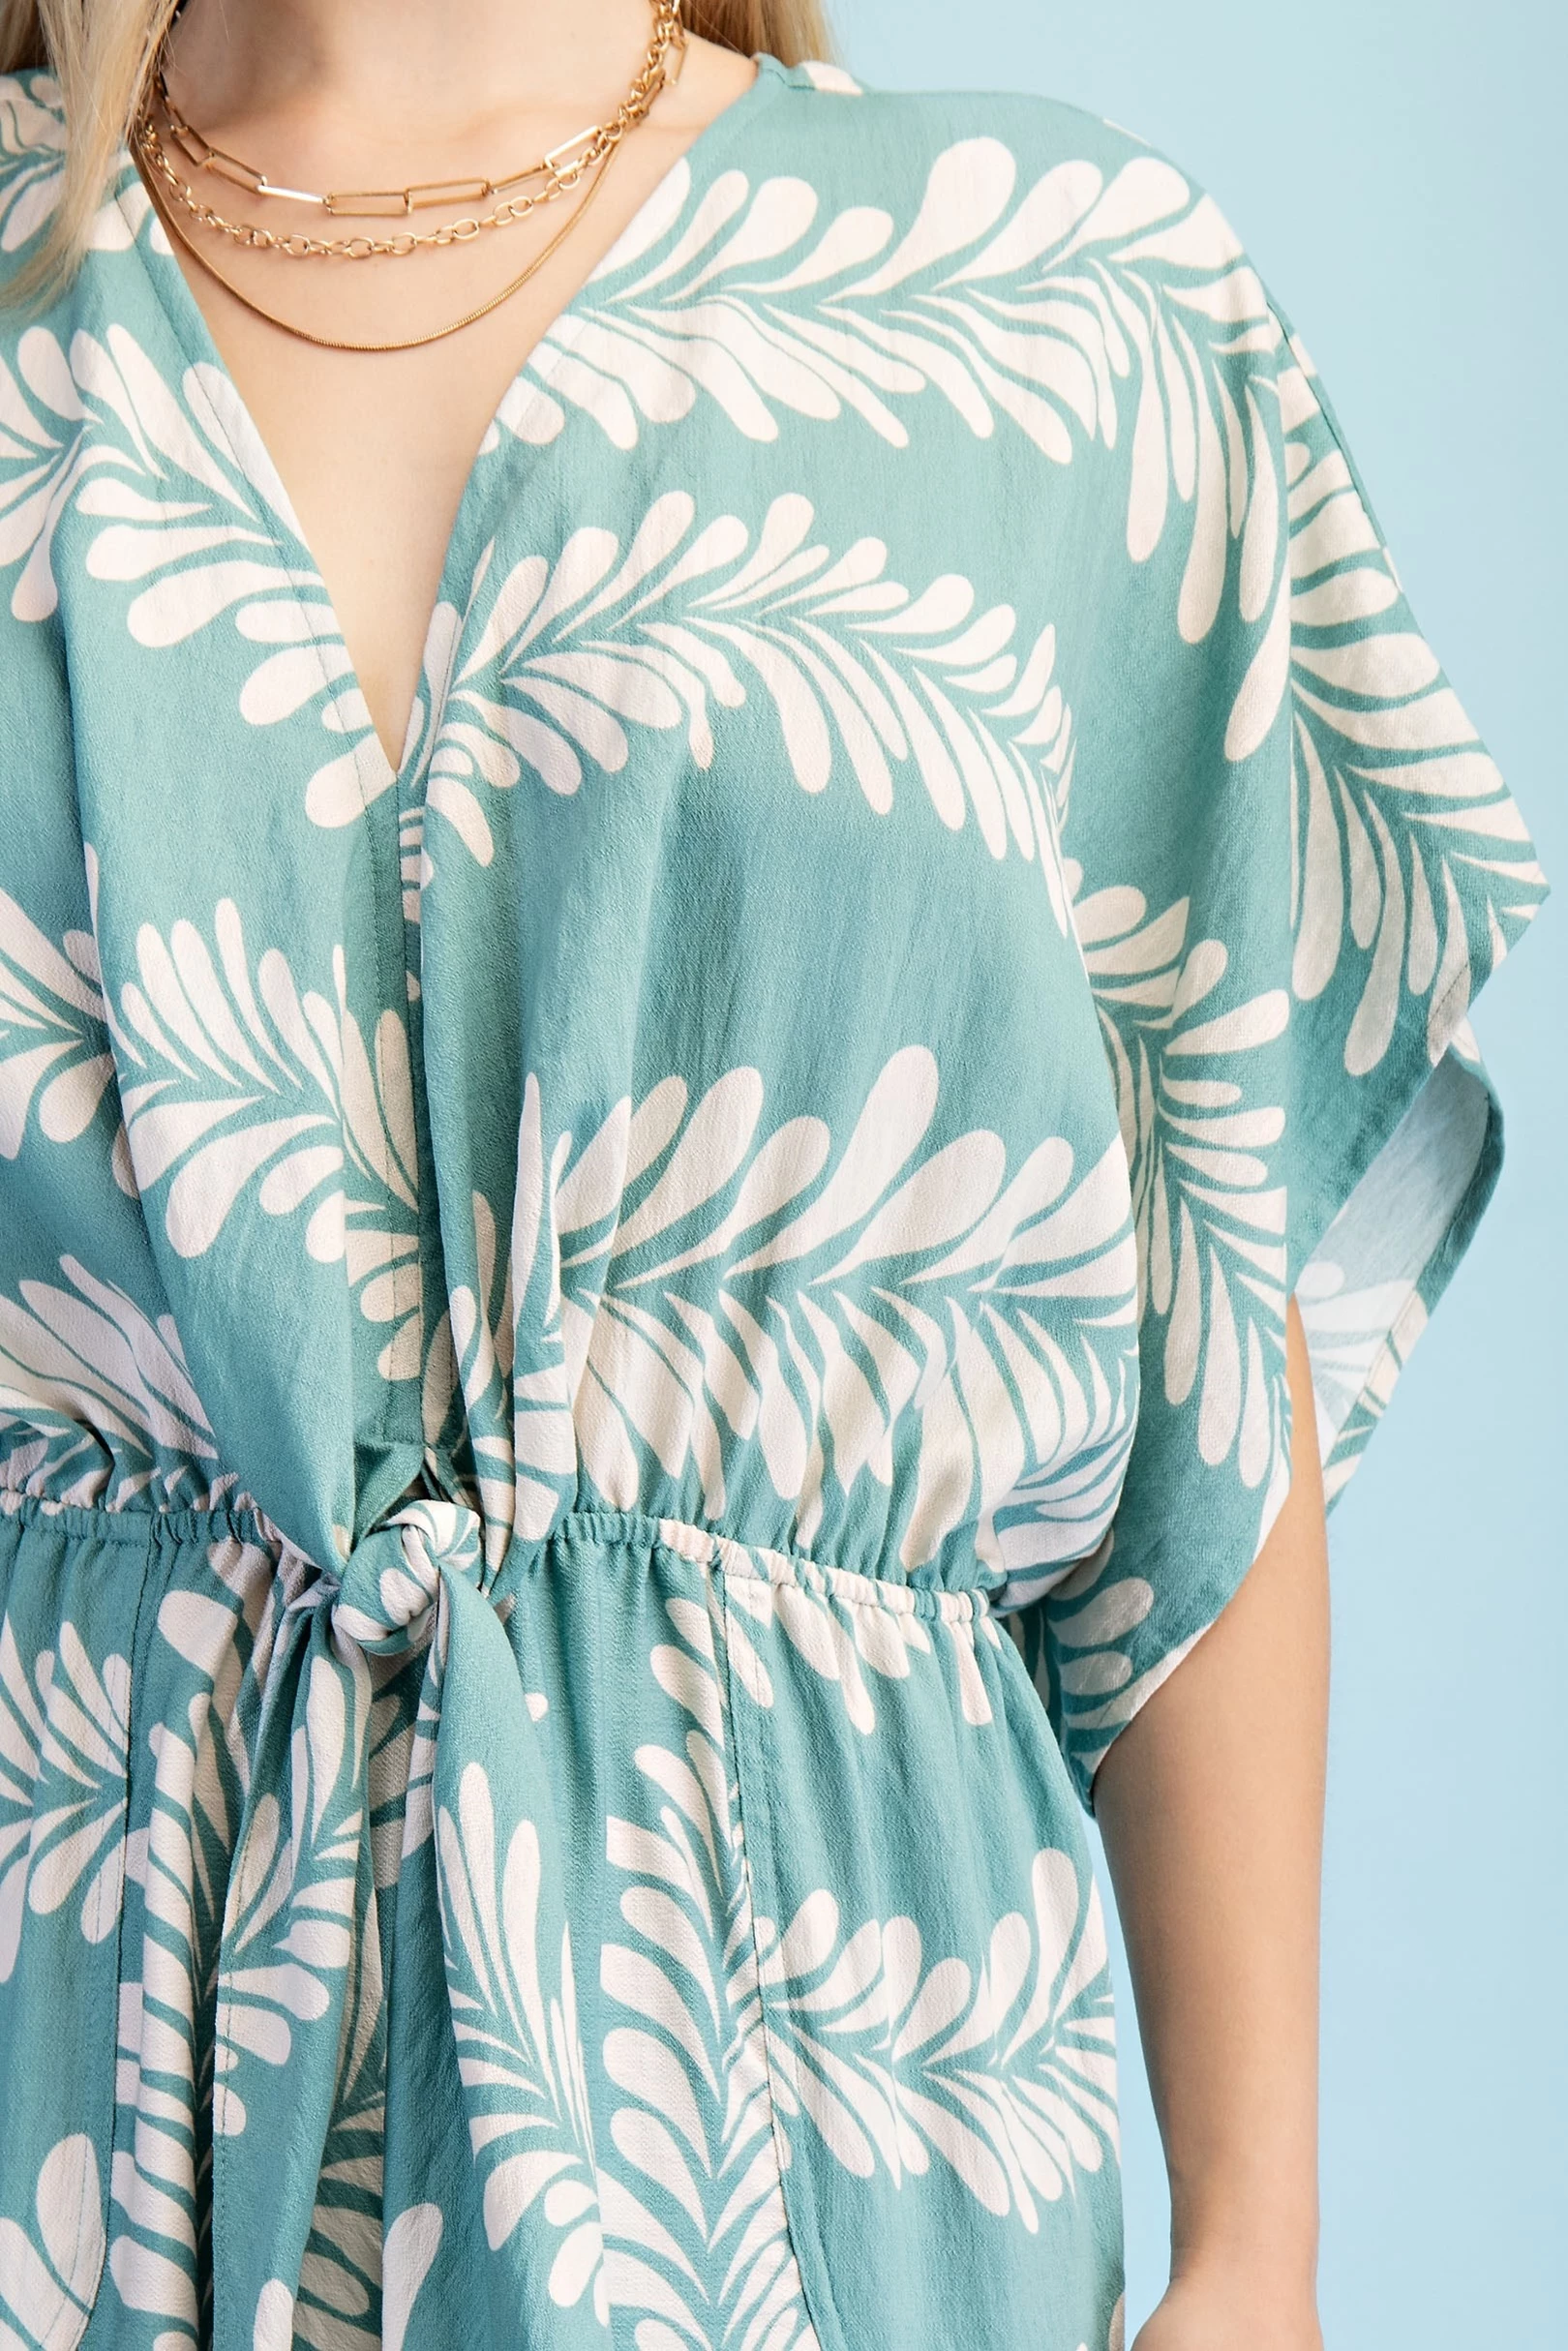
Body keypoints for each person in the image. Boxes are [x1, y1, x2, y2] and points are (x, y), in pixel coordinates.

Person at [0, 2, 1548, 2347]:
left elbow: (1206, 1334)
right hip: (67, 2045)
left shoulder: (1049, 301)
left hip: (824, 2107)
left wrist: (1254, 2249)